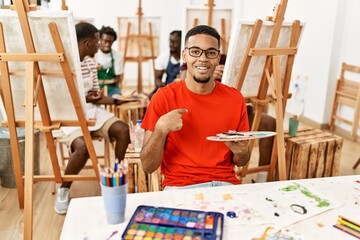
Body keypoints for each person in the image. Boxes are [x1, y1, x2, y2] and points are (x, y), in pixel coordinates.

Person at [140, 25, 250, 190]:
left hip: (226, 185)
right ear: (184, 56)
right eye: (195, 51)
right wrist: (160, 129)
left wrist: (242, 152)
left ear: (218, 58)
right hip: (181, 187)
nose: (203, 59)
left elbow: (242, 161)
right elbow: (148, 166)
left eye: (211, 53)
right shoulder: (163, 97)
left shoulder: (235, 98)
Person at [54, 22, 130, 214]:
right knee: (83, 148)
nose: (100, 46)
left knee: (122, 129)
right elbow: (58, 97)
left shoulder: (89, 63)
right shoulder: (61, 63)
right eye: (97, 42)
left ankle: (116, 173)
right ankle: (64, 189)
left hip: (91, 111)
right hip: (66, 116)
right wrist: (86, 97)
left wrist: (118, 100)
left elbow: (94, 95)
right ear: (87, 43)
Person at [180, 54, 276, 181]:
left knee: (269, 123)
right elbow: (183, 78)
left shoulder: (231, 57)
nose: (205, 55)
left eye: (212, 52)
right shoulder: (196, 60)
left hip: (238, 107)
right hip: (211, 110)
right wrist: (208, 76)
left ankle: (262, 177)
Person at [149, 30, 182, 99]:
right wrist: (166, 90)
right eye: (170, 41)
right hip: (167, 88)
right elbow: (157, 79)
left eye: (174, 42)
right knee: (152, 97)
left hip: (181, 90)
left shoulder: (187, 58)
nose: (171, 45)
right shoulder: (163, 57)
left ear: (181, 43)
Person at [95, 26, 124, 97]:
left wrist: (104, 83)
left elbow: (117, 79)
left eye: (110, 42)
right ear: (100, 40)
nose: (107, 44)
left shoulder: (117, 56)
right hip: (95, 88)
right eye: (105, 41)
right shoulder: (94, 54)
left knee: (117, 98)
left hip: (111, 88)